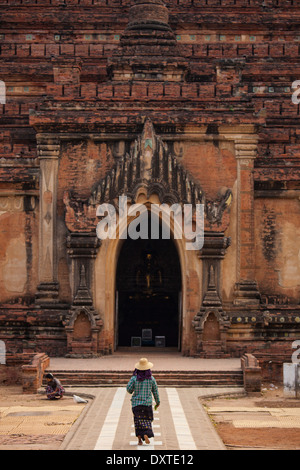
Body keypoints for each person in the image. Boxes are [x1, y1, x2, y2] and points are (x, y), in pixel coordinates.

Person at [126, 357, 160, 446]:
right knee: (147, 420)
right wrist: (157, 401)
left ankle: (140, 440)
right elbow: (155, 391)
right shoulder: (151, 379)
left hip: (136, 404)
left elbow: (129, 390)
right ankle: (146, 433)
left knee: (138, 422)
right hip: (147, 404)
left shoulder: (134, 379)